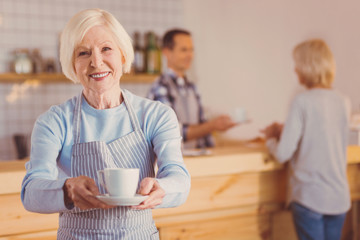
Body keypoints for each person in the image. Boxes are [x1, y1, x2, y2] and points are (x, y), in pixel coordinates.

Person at [21, 9, 190, 239]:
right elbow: (31, 192)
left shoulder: (156, 115)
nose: (96, 62)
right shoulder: (54, 121)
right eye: (83, 53)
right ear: (72, 63)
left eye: (106, 49)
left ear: (122, 55)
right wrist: (68, 189)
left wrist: (163, 189)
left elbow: (178, 178)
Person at [261, 39, 351, 240]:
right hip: (339, 198)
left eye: (298, 64)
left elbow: (283, 153)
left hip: (310, 198)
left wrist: (269, 139)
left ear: (308, 66)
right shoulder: (343, 101)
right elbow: (325, 135)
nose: (295, 70)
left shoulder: (302, 101)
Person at [147, 29, 237, 149]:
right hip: (173, 164)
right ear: (167, 53)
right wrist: (213, 125)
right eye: (184, 50)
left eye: (191, 50)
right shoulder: (160, 88)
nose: (190, 55)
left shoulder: (192, 88)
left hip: (196, 162)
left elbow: (202, 127)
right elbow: (172, 132)